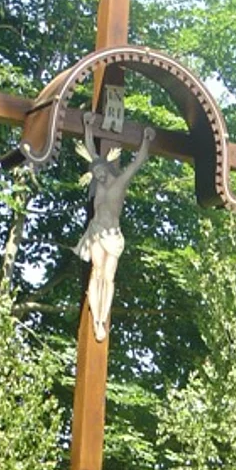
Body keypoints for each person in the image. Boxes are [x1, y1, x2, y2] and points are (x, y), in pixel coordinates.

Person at [74, 111, 155, 342]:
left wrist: (146, 140)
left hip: (113, 236)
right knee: (96, 272)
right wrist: (88, 126)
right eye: (95, 172)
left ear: (107, 169)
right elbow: (91, 150)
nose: (98, 175)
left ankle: (102, 318)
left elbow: (138, 162)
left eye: (100, 171)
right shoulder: (98, 183)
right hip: (96, 231)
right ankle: (95, 318)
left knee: (108, 277)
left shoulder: (120, 183)